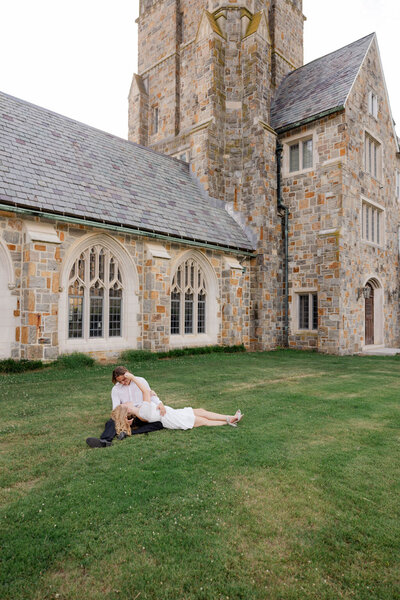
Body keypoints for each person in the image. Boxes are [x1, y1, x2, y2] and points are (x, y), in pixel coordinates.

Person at [112, 371, 243, 436]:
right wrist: (133, 377)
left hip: (172, 412)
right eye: (124, 405)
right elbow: (145, 392)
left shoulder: (140, 408)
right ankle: (229, 421)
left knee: (201, 411)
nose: (125, 403)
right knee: (203, 421)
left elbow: (149, 394)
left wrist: (157, 400)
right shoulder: (142, 412)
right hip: (171, 419)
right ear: (128, 410)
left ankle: (228, 417)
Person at [86, 366, 164, 448]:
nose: (123, 383)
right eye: (120, 381)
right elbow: (116, 408)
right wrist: (123, 418)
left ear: (128, 374)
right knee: (111, 422)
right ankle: (105, 441)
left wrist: (160, 403)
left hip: (141, 413)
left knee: (159, 424)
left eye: (124, 379)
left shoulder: (140, 381)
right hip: (126, 415)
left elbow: (149, 394)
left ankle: (128, 432)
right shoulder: (116, 389)